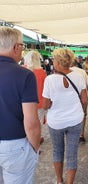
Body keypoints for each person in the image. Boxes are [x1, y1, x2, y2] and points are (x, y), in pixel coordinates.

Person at [0, 26, 41, 183]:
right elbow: (31, 122)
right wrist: (34, 148)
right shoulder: (24, 75)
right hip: (14, 145)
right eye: (22, 46)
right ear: (16, 47)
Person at [42, 48, 88, 184]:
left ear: (58, 62)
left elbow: (45, 105)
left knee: (57, 151)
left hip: (56, 122)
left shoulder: (49, 80)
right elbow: (84, 100)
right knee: (72, 153)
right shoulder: (79, 76)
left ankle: (59, 180)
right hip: (75, 120)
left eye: (54, 59)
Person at [24, 50, 47, 145]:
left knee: (26, 121)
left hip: (25, 103)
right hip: (39, 102)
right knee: (38, 123)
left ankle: (27, 139)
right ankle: (36, 140)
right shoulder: (42, 72)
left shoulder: (22, 69)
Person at [71, 58, 88, 143]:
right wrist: (87, 95)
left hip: (70, 100)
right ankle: (81, 135)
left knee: (71, 115)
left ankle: (72, 135)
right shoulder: (82, 71)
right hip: (82, 98)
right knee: (83, 115)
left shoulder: (62, 72)